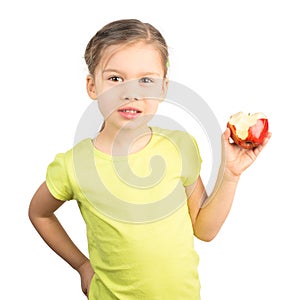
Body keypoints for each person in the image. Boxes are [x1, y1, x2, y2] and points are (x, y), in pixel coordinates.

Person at [28, 19, 271, 299]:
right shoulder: (74, 165)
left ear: (163, 88)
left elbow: (205, 230)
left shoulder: (179, 147)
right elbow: (39, 212)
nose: (131, 93)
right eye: (115, 78)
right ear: (92, 85)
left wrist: (230, 175)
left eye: (146, 80)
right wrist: (82, 265)